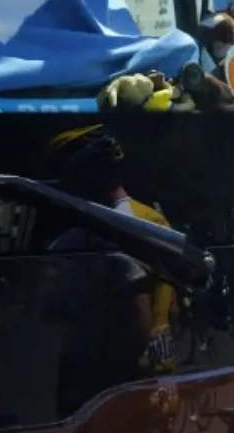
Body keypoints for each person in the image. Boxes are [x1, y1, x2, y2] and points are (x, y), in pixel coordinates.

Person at [45, 124, 178, 376]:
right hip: (149, 368)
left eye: (70, 175)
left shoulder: (117, 227)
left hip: (118, 374)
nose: (66, 186)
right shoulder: (145, 217)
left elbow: (139, 316)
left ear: (89, 174)